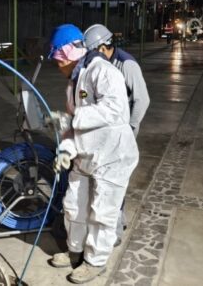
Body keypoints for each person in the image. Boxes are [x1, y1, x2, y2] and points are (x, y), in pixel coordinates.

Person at [46, 24, 139, 284]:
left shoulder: (103, 72)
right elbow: (73, 130)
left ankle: (95, 261)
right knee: (73, 206)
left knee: (102, 213)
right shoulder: (72, 84)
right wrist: (65, 150)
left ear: (67, 55)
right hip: (86, 156)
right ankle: (75, 252)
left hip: (113, 157)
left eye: (57, 61)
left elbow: (114, 108)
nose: (57, 67)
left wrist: (72, 117)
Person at [83, 24, 150, 244]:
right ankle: (103, 222)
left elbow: (142, 100)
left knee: (115, 178)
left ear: (103, 47)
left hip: (124, 132)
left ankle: (116, 229)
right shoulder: (98, 65)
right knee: (102, 176)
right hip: (106, 131)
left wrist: (129, 129)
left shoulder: (127, 64)